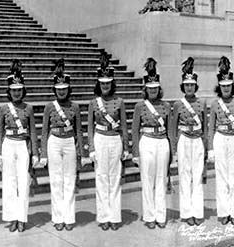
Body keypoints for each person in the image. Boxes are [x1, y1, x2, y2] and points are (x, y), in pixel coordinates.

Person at [0, 60, 38, 233]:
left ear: (23, 91)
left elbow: (33, 132)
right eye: (13, 90)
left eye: (19, 90)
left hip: (22, 145)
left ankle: (22, 218)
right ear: (9, 91)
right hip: (8, 145)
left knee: (23, 182)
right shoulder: (4, 108)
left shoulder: (29, 108)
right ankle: (12, 217)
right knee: (9, 182)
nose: (16, 93)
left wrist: (34, 152)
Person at [87, 51, 129, 230]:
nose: (105, 86)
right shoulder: (93, 103)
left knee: (114, 177)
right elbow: (89, 126)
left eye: (108, 83)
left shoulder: (119, 101)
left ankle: (114, 216)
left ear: (112, 83)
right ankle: (103, 217)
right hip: (100, 139)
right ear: (98, 84)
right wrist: (91, 148)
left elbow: (125, 127)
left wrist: (126, 147)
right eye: (102, 83)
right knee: (101, 178)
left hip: (115, 139)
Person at [40, 59, 82, 231]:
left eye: (64, 89)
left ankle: (69, 217)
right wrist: (43, 153)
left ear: (68, 89)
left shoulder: (75, 107)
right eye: (59, 89)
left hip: (69, 141)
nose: (62, 92)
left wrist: (81, 152)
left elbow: (79, 131)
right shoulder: (49, 107)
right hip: (54, 142)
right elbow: (43, 131)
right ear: (54, 90)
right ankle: (58, 217)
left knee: (69, 180)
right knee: (56, 180)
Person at [132, 58, 171, 229]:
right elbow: (134, 130)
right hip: (146, 142)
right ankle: (149, 216)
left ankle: (161, 215)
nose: (153, 91)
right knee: (147, 179)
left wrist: (173, 150)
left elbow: (170, 129)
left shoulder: (166, 105)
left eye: (155, 88)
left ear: (159, 89)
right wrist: (134, 153)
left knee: (161, 179)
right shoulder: (140, 106)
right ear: (145, 90)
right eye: (150, 88)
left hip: (162, 142)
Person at [205, 56, 234, 225]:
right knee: (221, 177)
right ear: (219, 87)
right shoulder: (215, 104)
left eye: (228, 86)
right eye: (223, 86)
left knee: (233, 176)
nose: (226, 89)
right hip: (220, 139)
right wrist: (210, 149)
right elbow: (211, 127)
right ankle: (223, 212)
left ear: (232, 86)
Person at [172, 57, 207, 226]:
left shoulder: (202, 103)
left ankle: (197, 212)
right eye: (186, 85)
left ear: (196, 86)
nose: (189, 87)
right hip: (184, 140)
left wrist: (207, 148)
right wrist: (174, 149)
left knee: (197, 176)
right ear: (183, 87)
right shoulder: (178, 104)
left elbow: (205, 128)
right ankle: (186, 213)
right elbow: (173, 128)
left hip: (198, 140)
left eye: (192, 85)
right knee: (185, 176)